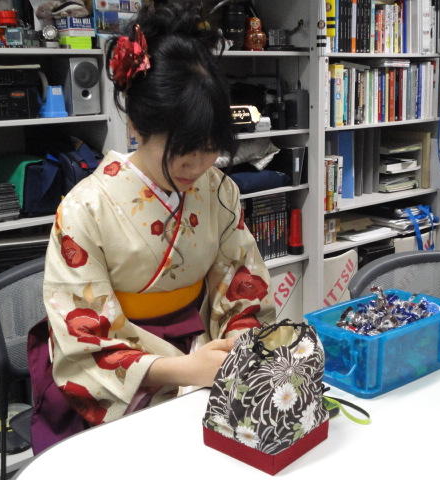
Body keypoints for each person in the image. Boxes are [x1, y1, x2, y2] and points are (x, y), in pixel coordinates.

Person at [27, 0, 276, 454]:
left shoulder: (218, 189)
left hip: (204, 352)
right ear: (138, 125)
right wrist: (183, 370)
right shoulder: (84, 208)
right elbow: (83, 340)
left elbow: (240, 281)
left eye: (210, 149)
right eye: (184, 151)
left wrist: (238, 338)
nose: (198, 166)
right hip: (124, 373)